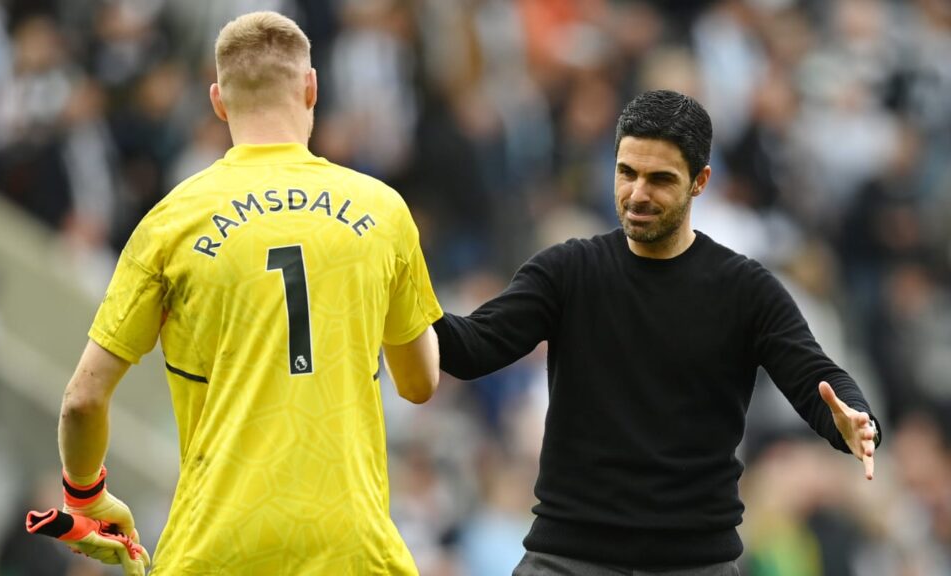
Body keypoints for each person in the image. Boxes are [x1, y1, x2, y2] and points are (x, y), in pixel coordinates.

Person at [53, 11, 442, 575]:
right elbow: (420, 382)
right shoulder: (383, 211)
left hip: (213, 550)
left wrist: (84, 496)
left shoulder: (173, 222)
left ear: (217, 101)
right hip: (352, 551)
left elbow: (83, 399)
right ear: (311, 88)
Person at [434, 89, 880, 576]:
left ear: (700, 181)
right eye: (627, 173)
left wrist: (852, 419)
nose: (638, 193)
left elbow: (816, 378)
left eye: (660, 179)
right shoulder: (569, 270)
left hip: (693, 564)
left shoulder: (745, 289)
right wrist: (392, 288)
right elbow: (469, 348)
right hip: (567, 559)